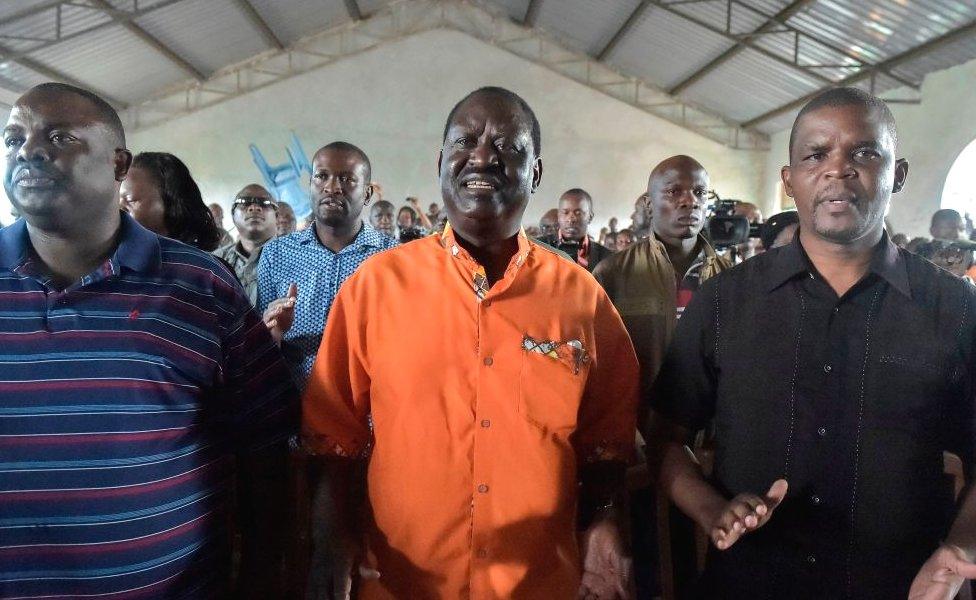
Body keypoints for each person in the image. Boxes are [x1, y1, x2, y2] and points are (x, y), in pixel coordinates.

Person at [303, 86, 639, 599]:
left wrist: (605, 522)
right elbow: (335, 434)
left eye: (507, 145)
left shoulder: (581, 299)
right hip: (398, 581)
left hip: (539, 582)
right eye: (466, 141)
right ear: (442, 162)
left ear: (537, 173)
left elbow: (607, 443)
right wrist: (331, 541)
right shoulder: (375, 287)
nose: (483, 155)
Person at [647, 86, 976, 599]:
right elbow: (667, 439)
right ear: (790, 179)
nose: (838, 169)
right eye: (816, 154)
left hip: (899, 586)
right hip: (750, 584)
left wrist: (962, 548)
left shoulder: (956, 311)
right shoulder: (725, 302)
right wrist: (712, 510)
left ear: (900, 174)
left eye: (865, 152)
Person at [0, 82, 296, 598]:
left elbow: (263, 449)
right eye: (14, 137)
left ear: (119, 165)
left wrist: (263, 576)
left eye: (60, 136)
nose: (28, 150)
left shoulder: (200, 286)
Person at [257, 141, 396, 389]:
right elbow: (263, 338)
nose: (332, 187)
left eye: (347, 179)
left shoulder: (393, 257)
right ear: (310, 186)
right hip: (295, 405)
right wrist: (272, 331)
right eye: (321, 176)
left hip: (369, 410)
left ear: (367, 194)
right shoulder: (276, 253)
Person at [120, 152, 223, 251]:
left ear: (173, 205)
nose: (118, 209)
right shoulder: (113, 263)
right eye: (115, 201)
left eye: (130, 200)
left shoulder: (203, 267)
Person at [213, 184, 278, 305]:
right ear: (233, 215)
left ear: (277, 217)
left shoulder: (298, 259)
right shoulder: (215, 261)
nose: (254, 207)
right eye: (244, 202)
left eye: (264, 202)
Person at [542, 188, 613, 272]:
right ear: (558, 216)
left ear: (590, 217)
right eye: (565, 213)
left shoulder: (606, 257)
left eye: (578, 213)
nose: (571, 219)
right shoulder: (538, 247)